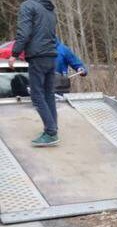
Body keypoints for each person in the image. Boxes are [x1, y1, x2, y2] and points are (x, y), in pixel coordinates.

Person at [9, 0, 58, 147]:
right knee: (49, 94)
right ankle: (53, 129)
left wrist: (15, 53)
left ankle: (50, 132)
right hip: (51, 55)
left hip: (38, 56)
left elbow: (24, 32)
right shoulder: (49, 9)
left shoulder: (28, 5)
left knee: (37, 95)